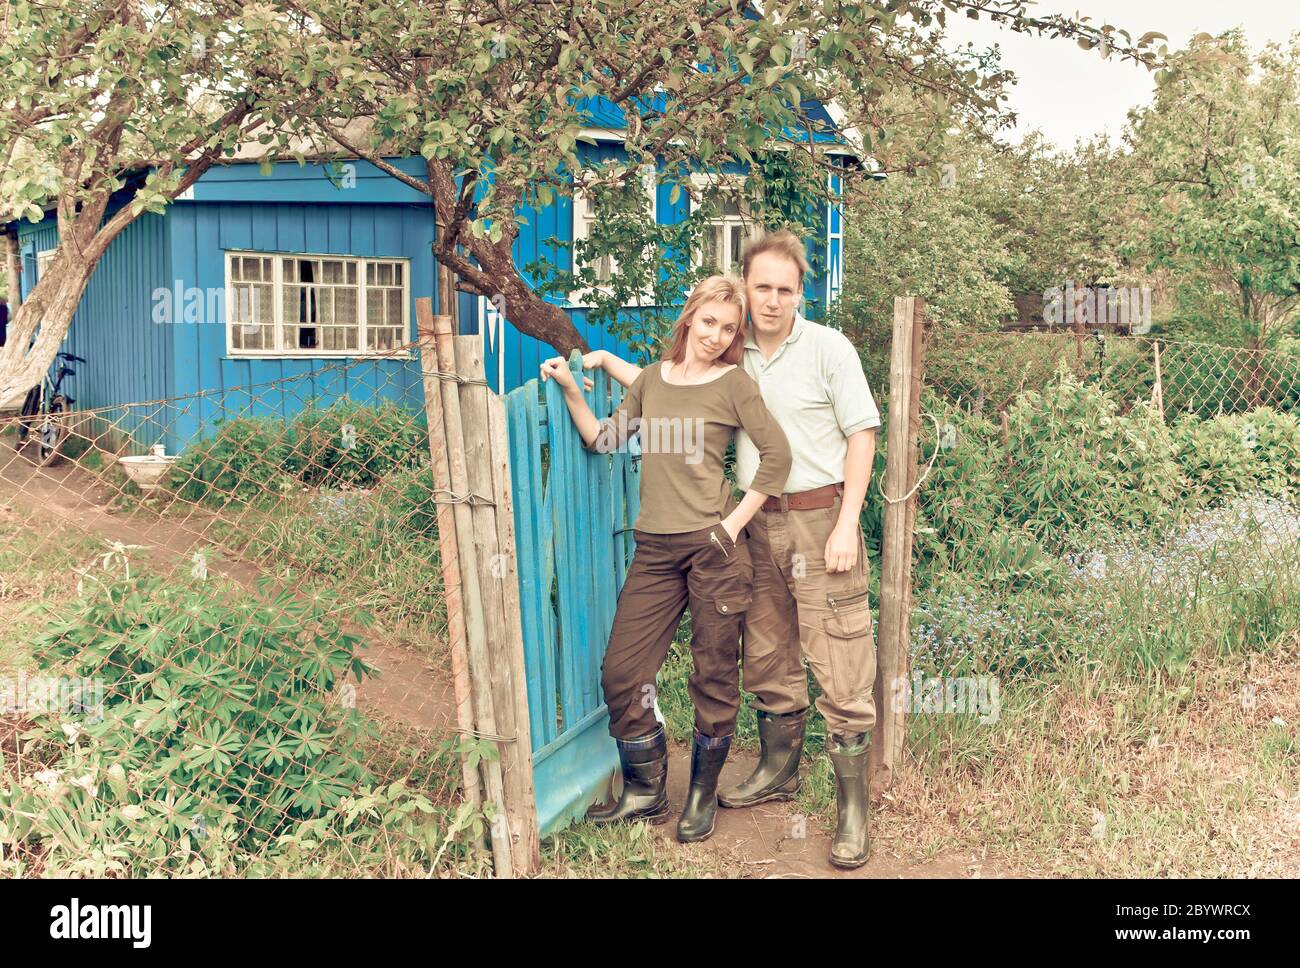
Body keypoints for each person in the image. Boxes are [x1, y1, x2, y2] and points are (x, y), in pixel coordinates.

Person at [550, 229, 881, 867]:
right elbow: (669, 387)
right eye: (763, 288)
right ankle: (775, 772)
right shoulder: (737, 349)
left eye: (786, 290)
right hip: (750, 526)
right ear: (745, 291)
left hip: (815, 516)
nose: (773, 300)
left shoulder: (824, 349)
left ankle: (851, 812)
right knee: (766, 653)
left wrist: (847, 524)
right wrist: (595, 368)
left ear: (799, 293)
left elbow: (860, 434)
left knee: (836, 655)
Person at [540, 274, 791, 844]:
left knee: (713, 673)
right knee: (623, 673)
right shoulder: (652, 380)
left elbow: (777, 457)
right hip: (654, 548)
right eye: (709, 322)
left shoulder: (734, 384)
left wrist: (731, 526)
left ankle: (701, 796)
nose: (716, 335)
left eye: (729, 328)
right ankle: (646, 789)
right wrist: (573, 388)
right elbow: (605, 440)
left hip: (714, 549)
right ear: (689, 318)